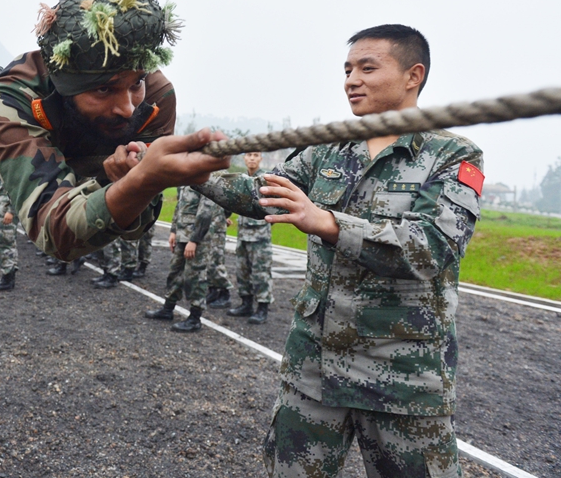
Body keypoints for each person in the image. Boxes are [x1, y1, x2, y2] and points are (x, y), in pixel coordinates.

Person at [201, 24, 483, 477]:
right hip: (314, 369)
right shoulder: (327, 149)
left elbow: (431, 248)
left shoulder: (451, 154)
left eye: (367, 68)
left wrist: (329, 223)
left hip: (403, 379)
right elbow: (262, 194)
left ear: (413, 76)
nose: (351, 80)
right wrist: (191, 175)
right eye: (348, 70)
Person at [0, 0, 229, 265]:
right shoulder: (14, 97)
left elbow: (138, 226)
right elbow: (53, 232)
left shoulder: (156, 97)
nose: (127, 108)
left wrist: (129, 182)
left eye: (136, 83)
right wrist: (140, 181)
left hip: (82, 147)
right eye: (104, 89)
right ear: (67, 86)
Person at [144, 186, 210, 332]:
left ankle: (195, 318)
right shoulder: (186, 181)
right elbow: (179, 206)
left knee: (195, 276)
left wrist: (194, 240)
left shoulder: (205, 181)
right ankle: (168, 309)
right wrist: (174, 231)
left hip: (196, 239)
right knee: (174, 272)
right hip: (182, 234)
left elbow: (205, 213)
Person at [226, 151, 273, 323]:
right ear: (244, 158)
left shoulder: (266, 180)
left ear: (261, 158)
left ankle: (262, 308)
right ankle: (246, 304)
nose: (252, 158)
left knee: (261, 273)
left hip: (260, 237)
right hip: (243, 234)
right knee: (242, 271)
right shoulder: (241, 179)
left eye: (256, 155)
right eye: (249, 155)